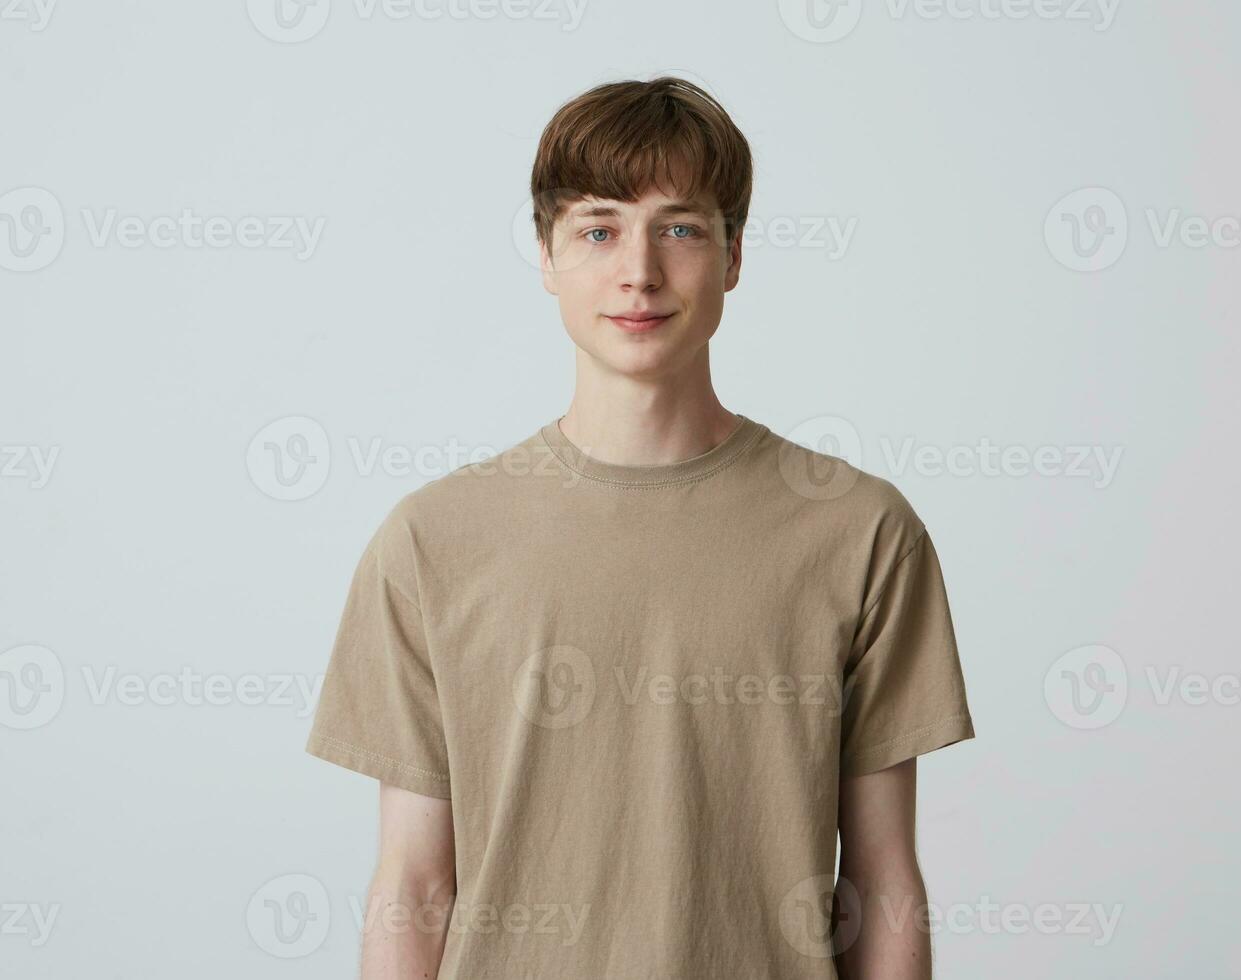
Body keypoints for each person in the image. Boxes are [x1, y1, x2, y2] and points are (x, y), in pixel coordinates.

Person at [305, 75, 975, 979]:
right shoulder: (431, 542)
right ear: (545, 255)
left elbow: (883, 879)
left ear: (734, 255)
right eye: (598, 228)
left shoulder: (859, 533)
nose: (639, 271)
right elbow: (415, 886)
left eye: (682, 228)